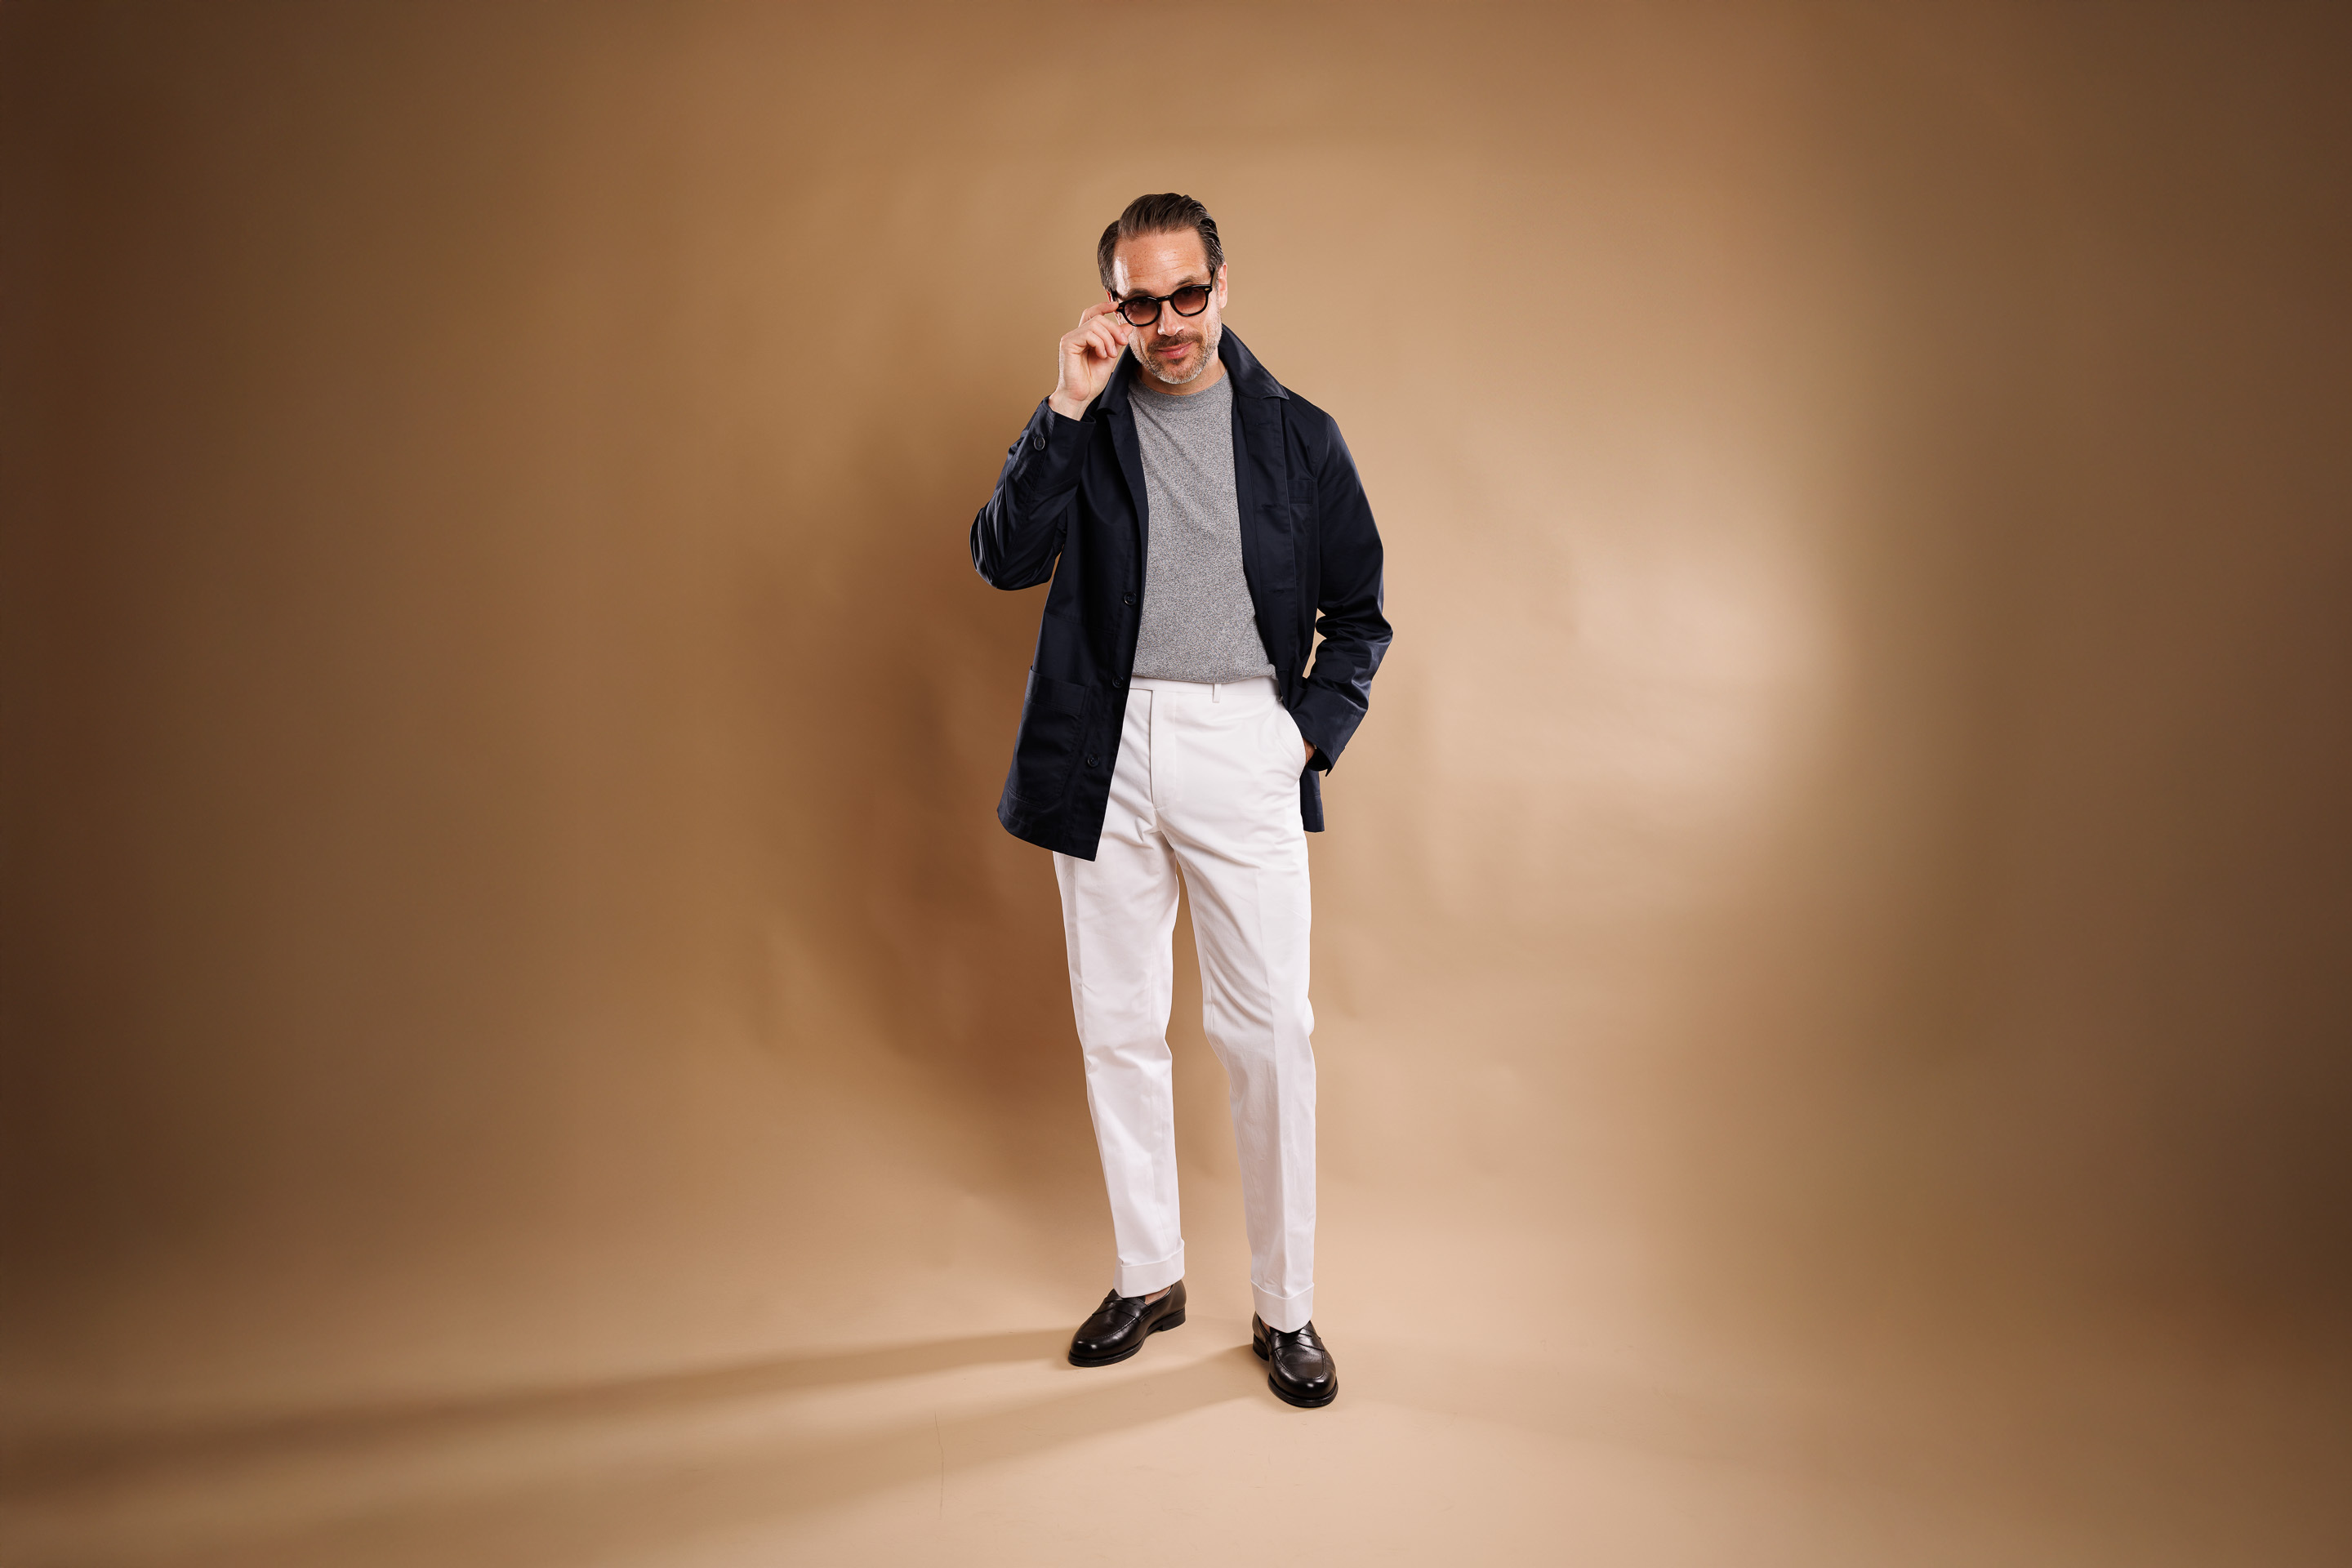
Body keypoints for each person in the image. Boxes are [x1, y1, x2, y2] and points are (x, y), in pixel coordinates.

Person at [969, 193, 1390, 1409]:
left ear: (1222, 285)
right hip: (1101, 745)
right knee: (1117, 1027)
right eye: (1141, 303)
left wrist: (1302, 738)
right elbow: (1003, 557)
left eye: (1188, 295)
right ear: (1112, 305)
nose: (1169, 325)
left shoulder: (1299, 436)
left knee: (1272, 1038)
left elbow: (1359, 616)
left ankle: (1286, 1306)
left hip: (1242, 739)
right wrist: (1064, 404)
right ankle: (1148, 1275)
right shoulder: (1089, 420)